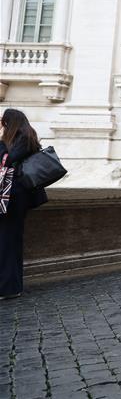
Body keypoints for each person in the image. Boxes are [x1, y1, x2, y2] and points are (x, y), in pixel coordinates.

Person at [0, 109, 47, 300]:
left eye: (4, 122)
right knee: (11, 241)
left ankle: (8, 288)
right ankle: (12, 286)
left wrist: (1, 144)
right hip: (18, 197)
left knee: (7, 242)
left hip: (12, 197)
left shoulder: (23, 138)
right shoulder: (28, 136)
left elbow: (8, 160)